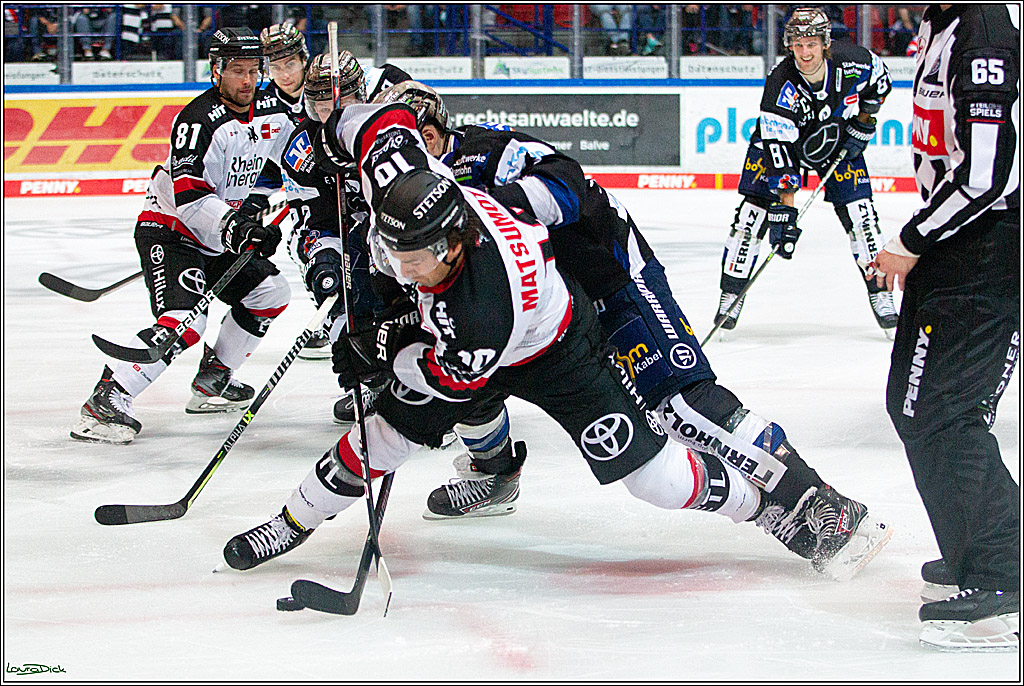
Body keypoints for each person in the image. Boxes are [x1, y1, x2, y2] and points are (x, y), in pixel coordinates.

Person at [219, 99, 889, 585]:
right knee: (385, 432)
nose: (401, 266)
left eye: (413, 258)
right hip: (528, 294)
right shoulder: (403, 178)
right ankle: (324, 510)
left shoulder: (486, 278)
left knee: (678, 413)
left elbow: (452, 362)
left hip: (592, 294)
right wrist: (329, 119)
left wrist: (385, 344)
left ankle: (801, 504)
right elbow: (369, 125)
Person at [377, 83, 895, 558]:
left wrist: (490, 206)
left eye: (424, 140)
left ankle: (820, 501)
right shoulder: (418, 200)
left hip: (618, 278)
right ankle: (780, 513)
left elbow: (569, 185)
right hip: (565, 311)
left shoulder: (485, 154)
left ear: (438, 133)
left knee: (683, 405)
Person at [280, 56, 517, 513]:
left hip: (428, 261)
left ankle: (493, 471)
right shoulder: (303, 149)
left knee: (460, 368)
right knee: (372, 346)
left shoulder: (391, 132)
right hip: (373, 261)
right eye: (320, 101)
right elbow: (311, 223)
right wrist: (323, 262)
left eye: (343, 98)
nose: (332, 109)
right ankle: (400, 403)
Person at [868, 4, 1019, 652]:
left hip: (983, 248)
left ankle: (1002, 579)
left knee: (943, 412)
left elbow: (989, 174)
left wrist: (910, 239)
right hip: (956, 246)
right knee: (916, 405)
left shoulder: (982, 28)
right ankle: (981, 549)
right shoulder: (943, 23)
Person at [70, 28, 294, 444]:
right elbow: (190, 197)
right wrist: (239, 226)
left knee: (271, 292)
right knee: (187, 321)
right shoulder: (197, 120)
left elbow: (291, 156)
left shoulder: (268, 111)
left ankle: (214, 378)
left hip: (218, 237)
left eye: (253, 71)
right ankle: (109, 395)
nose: (247, 81)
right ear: (217, 71)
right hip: (170, 230)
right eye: (237, 72)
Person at [715, 6, 898, 338]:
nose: (805, 52)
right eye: (798, 45)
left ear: (825, 43)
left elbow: (881, 84)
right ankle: (731, 294)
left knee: (862, 217)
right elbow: (779, 152)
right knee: (752, 216)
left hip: (833, 137)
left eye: (811, 44)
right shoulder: (779, 82)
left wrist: (863, 124)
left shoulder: (855, 61)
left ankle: (881, 295)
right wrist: (785, 208)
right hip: (782, 145)